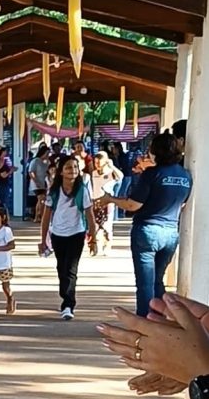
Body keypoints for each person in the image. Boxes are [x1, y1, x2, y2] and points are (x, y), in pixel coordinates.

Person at [98, 131, 192, 318]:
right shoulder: (186, 175)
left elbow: (133, 204)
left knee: (145, 284)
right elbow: (182, 204)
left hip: (147, 231)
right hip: (171, 232)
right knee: (158, 281)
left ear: (156, 151)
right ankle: (164, 318)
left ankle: (145, 323)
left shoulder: (152, 174)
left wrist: (110, 199)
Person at [39, 154, 98, 321]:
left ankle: (68, 304)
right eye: (68, 168)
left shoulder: (82, 190)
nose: (73, 170)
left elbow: (90, 215)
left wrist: (93, 239)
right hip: (58, 234)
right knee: (61, 268)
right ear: (61, 172)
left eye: (75, 167)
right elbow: (45, 217)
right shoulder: (54, 191)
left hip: (77, 234)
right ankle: (65, 293)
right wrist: (43, 240)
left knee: (71, 270)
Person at [89, 151, 123, 254]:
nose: (98, 165)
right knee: (95, 225)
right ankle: (95, 245)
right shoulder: (94, 173)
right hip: (96, 201)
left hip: (107, 203)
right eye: (96, 163)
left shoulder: (110, 173)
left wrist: (111, 166)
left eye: (100, 162)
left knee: (107, 225)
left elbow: (120, 177)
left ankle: (107, 244)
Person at [28, 144, 50, 221]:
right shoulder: (35, 161)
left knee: (40, 200)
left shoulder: (46, 163)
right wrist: (36, 181)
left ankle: (37, 216)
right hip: (36, 184)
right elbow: (31, 172)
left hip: (43, 184)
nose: (47, 155)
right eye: (46, 153)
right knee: (41, 198)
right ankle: (40, 216)